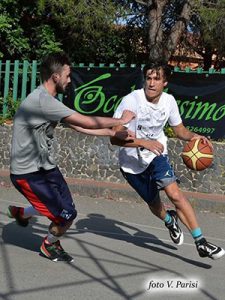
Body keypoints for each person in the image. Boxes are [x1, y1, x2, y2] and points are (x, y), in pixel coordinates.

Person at [7, 52, 135, 263]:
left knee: (69, 210)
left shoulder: (48, 100)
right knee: (65, 215)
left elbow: (76, 125)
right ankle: (48, 245)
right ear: (55, 77)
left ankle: (22, 213)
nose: (69, 79)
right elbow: (85, 121)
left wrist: (113, 133)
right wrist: (120, 120)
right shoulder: (41, 101)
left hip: (45, 167)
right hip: (28, 173)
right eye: (67, 75)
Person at [110, 60, 225, 260]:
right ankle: (169, 219)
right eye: (148, 78)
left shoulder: (169, 101)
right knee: (155, 204)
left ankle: (201, 242)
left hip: (157, 155)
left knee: (175, 194)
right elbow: (114, 137)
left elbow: (179, 130)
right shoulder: (131, 101)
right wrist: (143, 142)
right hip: (131, 164)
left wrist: (194, 136)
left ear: (165, 83)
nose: (151, 83)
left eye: (157, 79)